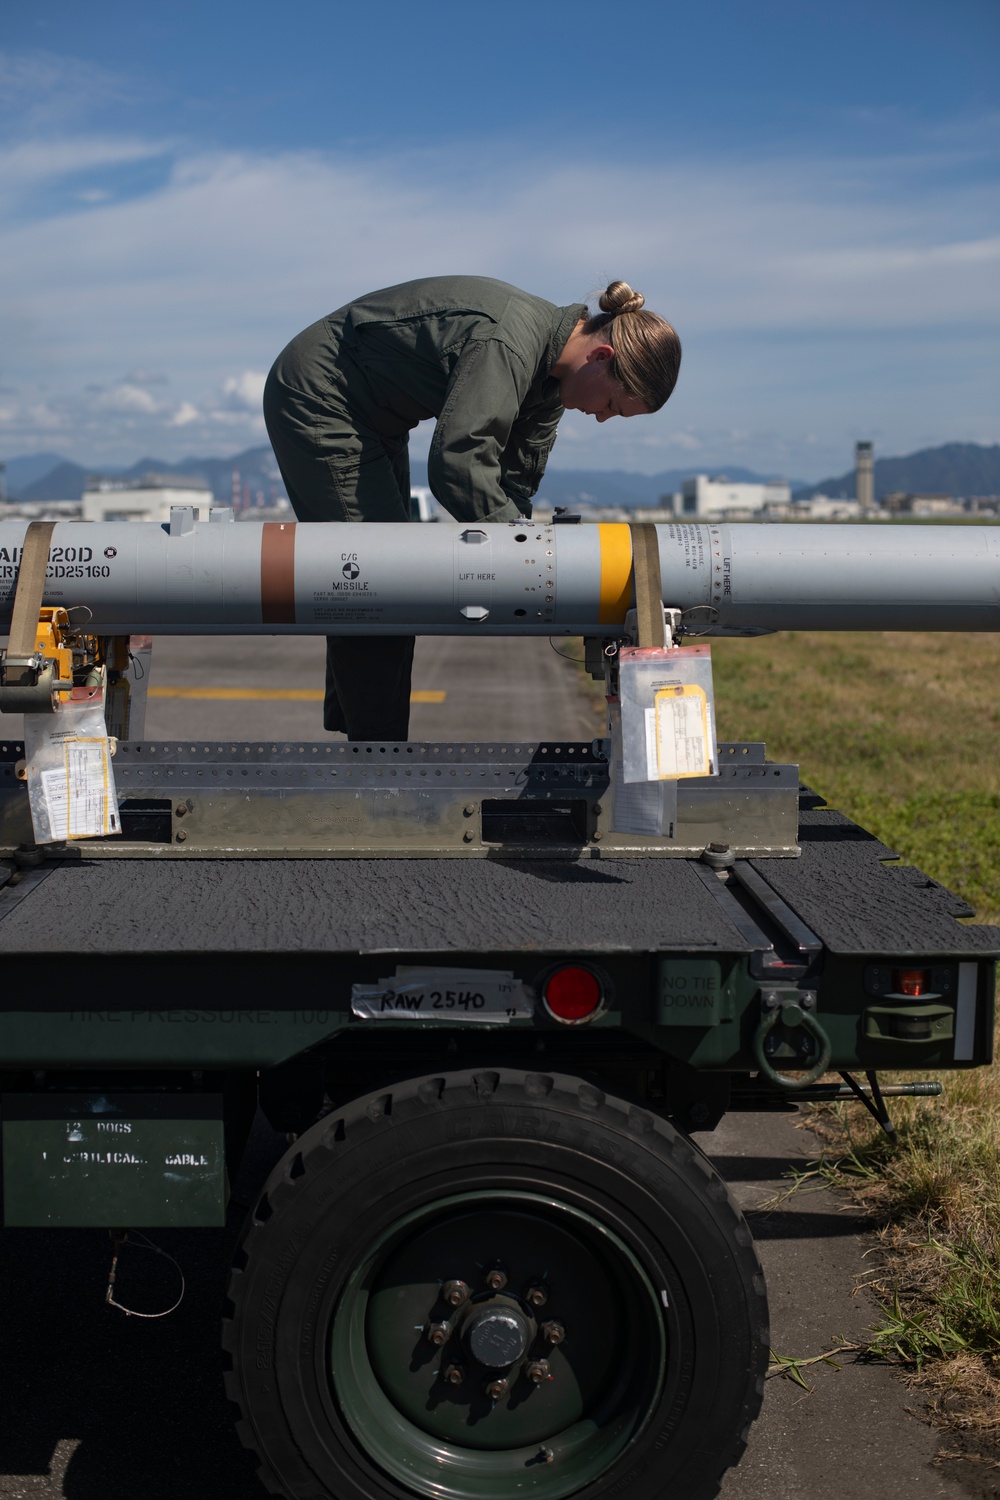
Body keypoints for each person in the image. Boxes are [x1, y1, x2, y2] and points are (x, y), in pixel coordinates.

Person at [263, 275, 681, 740]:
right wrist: (522, 558)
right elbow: (458, 464)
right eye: (611, 405)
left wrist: (520, 539)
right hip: (321, 397)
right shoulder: (510, 343)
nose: (602, 417)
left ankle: (364, 740)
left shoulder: (551, 379)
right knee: (374, 589)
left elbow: (514, 479)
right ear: (601, 358)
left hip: (375, 423)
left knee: (379, 588)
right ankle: (375, 761)